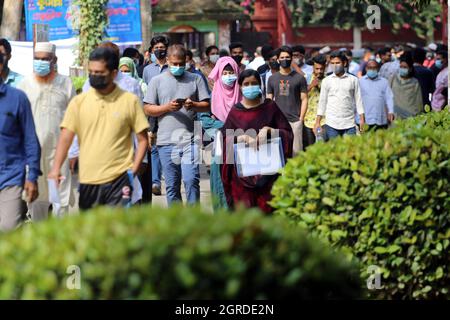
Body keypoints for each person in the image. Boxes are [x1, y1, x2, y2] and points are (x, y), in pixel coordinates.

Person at [48, 47, 149, 211]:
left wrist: (134, 170)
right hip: (89, 179)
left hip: (120, 178)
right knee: (93, 231)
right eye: (92, 72)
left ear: (114, 73)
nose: (95, 76)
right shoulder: (78, 102)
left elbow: (143, 140)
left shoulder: (130, 101)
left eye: (100, 73)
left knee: (120, 230)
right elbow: (66, 136)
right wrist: (56, 169)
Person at [143, 45, 210, 206]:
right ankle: (177, 219)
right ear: (167, 61)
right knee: (172, 186)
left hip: (191, 140)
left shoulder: (196, 79)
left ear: (186, 61)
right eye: (174, 64)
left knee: (191, 180)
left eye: (181, 64)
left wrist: (193, 105)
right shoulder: (156, 81)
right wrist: (167, 108)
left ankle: (193, 219)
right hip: (166, 141)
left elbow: (207, 105)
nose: (178, 67)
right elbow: (147, 108)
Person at [221, 69, 293, 213]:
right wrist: (239, 138)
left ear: (260, 85)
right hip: (242, 177)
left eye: (254, 83)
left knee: (269, 213)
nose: (250, 86)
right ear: (240, 87)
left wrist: (271, 131)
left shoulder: (270, 107)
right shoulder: (236, 112)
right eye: (246, 84)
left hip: (269, 174)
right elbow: (223, 139)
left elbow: (287, 133)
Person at [17, 42, 75, 221]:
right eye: (37, 59)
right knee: (35, 197)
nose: (40, 62)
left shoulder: (65, 83)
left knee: (61, 198)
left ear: (54, 60)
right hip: (32, 153)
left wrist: (74, 151)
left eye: (44, 59)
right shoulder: (24, 84)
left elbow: (74, 119)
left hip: (60, 152)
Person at [0, 53, 41, 231]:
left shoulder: (17, 98)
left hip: (10, 177)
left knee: (9, 228)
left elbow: (31, 140)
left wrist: (32, 177)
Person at [199, 57, 241, 211]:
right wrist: (229, 127)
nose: (229, 76)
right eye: (225, 72)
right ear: (218, 74)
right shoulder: (211, 95)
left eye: (231, 72)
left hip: (241, 143)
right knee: (220, 178)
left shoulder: (243, 94)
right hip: (220, 144)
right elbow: (205, 120)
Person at [142, 35, 170, 196]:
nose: (159, 50)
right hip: (152, 113)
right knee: (153, 148)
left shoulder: (172, 67)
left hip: (169, 111)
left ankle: (170, 176)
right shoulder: (147, 70)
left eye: (162, 48)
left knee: (166, 146)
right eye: (156, 48)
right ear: (152, 50)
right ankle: (155, 182)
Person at [315, 50, 365, 139]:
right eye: (332, 63)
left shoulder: (353, 80)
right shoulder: (326, 81)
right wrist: (317, 122)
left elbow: (359, 101)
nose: (335, 65)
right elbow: (322, 102)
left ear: (344, 63)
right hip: (332, 123)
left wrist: (362, 119)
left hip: (349, 123)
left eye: (337, 63)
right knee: (335, 150)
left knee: (350, 150)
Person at [267, 46, 308, 155]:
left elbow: (304, 99)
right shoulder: (272, 79)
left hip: (295, 121)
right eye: (282, 57)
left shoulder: (299, 78)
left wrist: (301, 119)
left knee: (297, 154)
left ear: (291, 59)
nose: (285, 59)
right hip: (277, 122)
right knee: (279, 154)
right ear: (278, 60)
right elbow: (269, 100)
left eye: (287, 57)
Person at [359, 59, 394, 130]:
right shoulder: (360, 81)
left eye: (374, 68)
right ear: (366, 69)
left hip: (380, 118)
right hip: (365, 119)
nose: (372, 70)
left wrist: (391, 111)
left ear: (378, 69)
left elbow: (389, 97)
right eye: (370, 68)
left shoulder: (384, 82)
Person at [389, 52, 423, 119]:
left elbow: (419, 102)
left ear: (410, 69)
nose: (402, 69)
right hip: (395, 116)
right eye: (401, 67)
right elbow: (387, 96)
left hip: (410, 117)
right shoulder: (393, 79)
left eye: (405, 67)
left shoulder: (415, 82)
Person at [303, 54, 326, 149]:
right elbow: (300, 96)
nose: (319, 71)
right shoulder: (306, 78)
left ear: (325, 67)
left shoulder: (328, 80)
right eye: (317, 69)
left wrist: (320, 87)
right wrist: (311, 85)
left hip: (324, 120)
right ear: (313, 67)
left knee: (323, 148)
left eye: (321, 69)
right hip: (308, 119)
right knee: (310, 149)